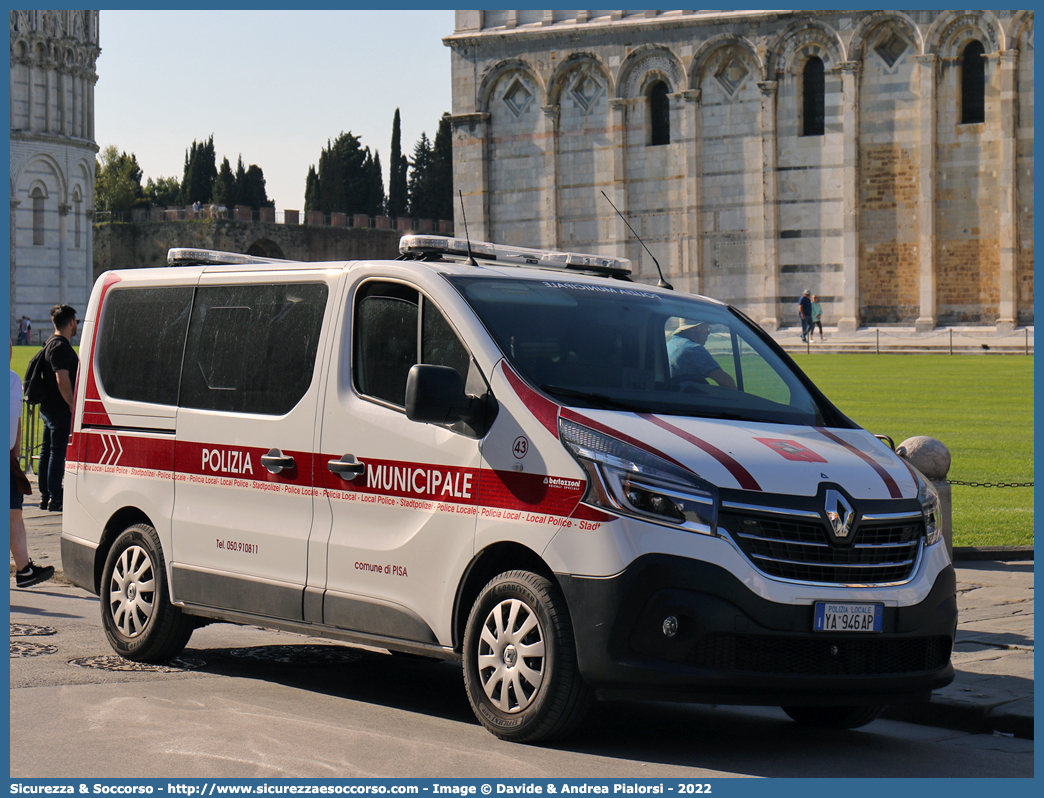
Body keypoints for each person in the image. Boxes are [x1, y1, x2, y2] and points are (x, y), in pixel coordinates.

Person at [10, 345, 54, 588]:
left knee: (14, 513)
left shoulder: (13, 380)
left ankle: (24, 570)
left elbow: (15, 417)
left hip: (7, 459)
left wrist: (16, 454)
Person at [37, 304, 78, 513]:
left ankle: (45, 496)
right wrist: (72, 404)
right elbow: (62, 379)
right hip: (60, 408)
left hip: (48, 407)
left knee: (46, 452)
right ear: (71, 322)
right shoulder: (61, 346)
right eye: (76, 322)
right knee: (56, 452)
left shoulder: (50, 343)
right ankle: (55, 496)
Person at [667, 321, 736, 388]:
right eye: (707, 328)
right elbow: (725, 381)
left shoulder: (669, 345)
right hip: (691, 397)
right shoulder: (693, 349)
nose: (708, 333)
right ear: (697, 328)